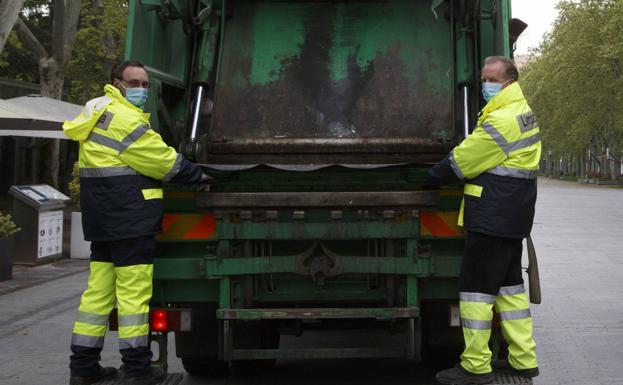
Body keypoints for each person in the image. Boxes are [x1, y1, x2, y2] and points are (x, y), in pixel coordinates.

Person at [63, 60, 209, 385]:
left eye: (145, 84)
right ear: (116, 82)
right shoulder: (126, 119)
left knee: (97, 296)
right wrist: (196, 173)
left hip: (103, 221)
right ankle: (138, 372)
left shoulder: (97, 111)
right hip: (130, 221)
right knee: (133, 298)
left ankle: (83, 368)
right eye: (135, 83)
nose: (142, 90)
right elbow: (161, 161)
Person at [429, 56, 540, 385]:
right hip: (511, 217)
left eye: (491, 79)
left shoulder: (502, 120)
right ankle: (523, 360)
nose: (485, 85)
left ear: (509, 80)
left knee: (477, 291)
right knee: (510, 292)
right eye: (483, 79)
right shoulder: (521, 112)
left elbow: (463, 162)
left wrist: (429, 175)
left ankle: (475, 365)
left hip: (492, 218)